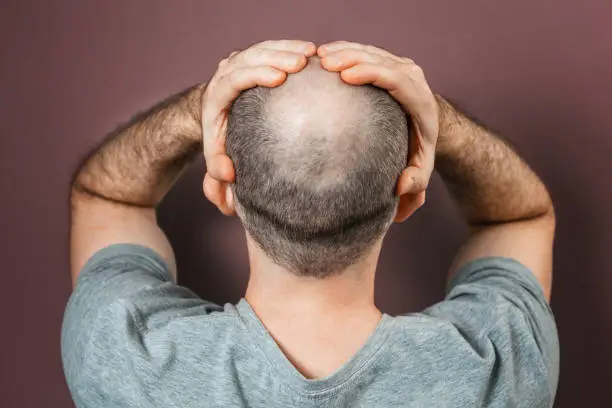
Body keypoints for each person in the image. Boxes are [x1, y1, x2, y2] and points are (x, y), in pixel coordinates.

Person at [61, 40, 559, 407]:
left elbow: (107, 197)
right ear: (407, 199)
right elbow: (519, 217)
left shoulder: (127, 356)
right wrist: (440, 124)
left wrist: (199, 110)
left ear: (222, 192)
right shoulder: (497, 366)